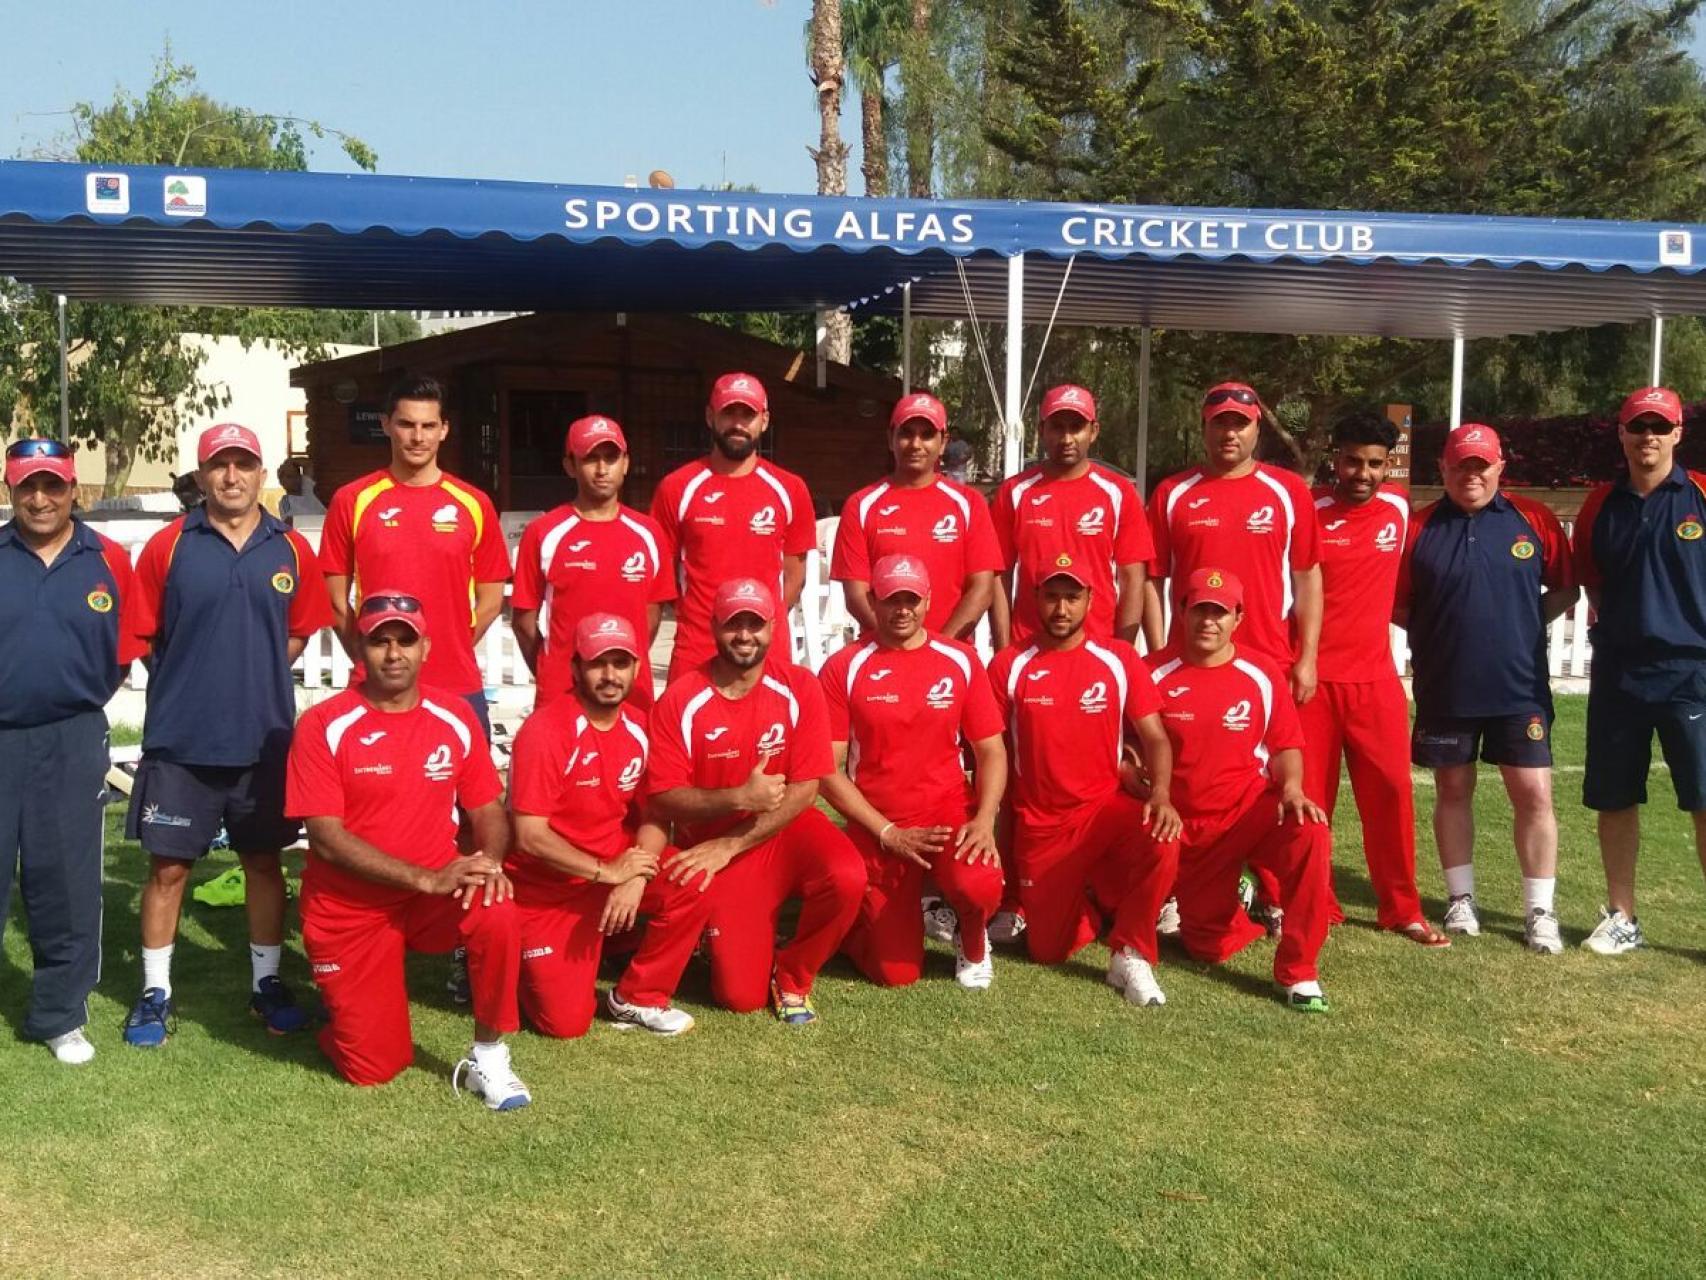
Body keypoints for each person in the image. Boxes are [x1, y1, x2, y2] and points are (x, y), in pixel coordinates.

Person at [121, 424, 333, 1049]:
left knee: (263, 863)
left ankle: (266, 983)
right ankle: (155, 991)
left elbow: (297, 632)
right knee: (167, 870)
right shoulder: (168, 547)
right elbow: (144, 634)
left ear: (262, 473)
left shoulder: (290, 550)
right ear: (202, 474)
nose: (232, 477)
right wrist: (190, 681)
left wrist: (251, 674)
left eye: (244, 464)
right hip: (181, 742)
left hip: (264, 740)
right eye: (220, 465)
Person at [285, 591, 530, 1108]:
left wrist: (489, 862)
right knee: (374, 1067)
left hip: (431, 898)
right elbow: (326, 838)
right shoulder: (322, 724)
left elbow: (488, 809)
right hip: (350, 908)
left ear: (426, 648)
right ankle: (351, 1012)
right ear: (360, 649)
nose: (394, 653)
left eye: (406, 640)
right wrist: (426, 878)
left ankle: (489, 1057)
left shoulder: (454, 715)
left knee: (497, 907)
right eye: (380, 642)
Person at [646, 578, 865, 1025]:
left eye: (755, 624)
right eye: (733, 624)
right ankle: (717, 936)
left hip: (782, 829)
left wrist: (734, 842)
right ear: (713, 627)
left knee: (848, 876)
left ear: (773, 627)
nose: (744, 635)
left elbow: (806, 787)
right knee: (738, 996)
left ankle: (793, 974)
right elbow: (663, 797)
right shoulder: (681, 698)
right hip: (716, 845)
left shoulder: (799, 686)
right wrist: (737, 800)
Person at [1145, 381, 1322, 930]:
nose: (1229, 432)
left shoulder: (1287, 492)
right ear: (1204, 426)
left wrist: (1307, 657)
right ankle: (1181, 886)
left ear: (1256, 429)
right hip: (1191, 661)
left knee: (1273, 784)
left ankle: (1273, 894)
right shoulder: (1173, 492)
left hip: (1268, 661)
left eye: (1239, 423)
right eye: (1219, 422)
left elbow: (1307, 575)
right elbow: (1154, 578)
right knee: (1188, 779)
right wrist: (1159, 651)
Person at [1397, 424, 1577, 952]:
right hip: (1446, 686)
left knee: (1534, 793)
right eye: (1461, 466)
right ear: (1443, 469)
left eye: (1481, 465)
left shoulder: (1533, 519)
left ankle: (1540, 910)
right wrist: (1440, 633)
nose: (1470, 475)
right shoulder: (1418, 527)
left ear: (1500, 467)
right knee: (1453, 789)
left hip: (1519, 687)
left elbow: (1565, 588)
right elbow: (1399, 603)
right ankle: (1461, 899)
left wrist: (1521, 623)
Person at [0, 438, 143, 1064]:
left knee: (64, 879)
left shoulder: (109, 559)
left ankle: (59, 1015)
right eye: (27, 486)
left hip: (72, 735)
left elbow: (126, 650)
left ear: (73, 489)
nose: (40, 498)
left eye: (52, 485)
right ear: (10, 490)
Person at [987, 557, 1181, 1007]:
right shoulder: (1009, 664)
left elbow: (1155, 736)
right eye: (1052, 597)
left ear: (1091, 600)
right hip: (1042, 826)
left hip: (1102, 810)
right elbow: (990, 747)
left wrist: (1161, 794)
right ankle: (1090, 902)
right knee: (1047, 951)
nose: (1062, 609)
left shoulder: (1118, 659)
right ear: (1034, 599)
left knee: (1161, 833)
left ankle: (1130, 952)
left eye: (1072, 597)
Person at [507, 612, 712, 1036]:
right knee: (565, 1024)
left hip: (611, 871)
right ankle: (508, 954)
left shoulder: (640, 726)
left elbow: (656, 813)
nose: (610, 675)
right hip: (548, 889)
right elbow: (529, 835)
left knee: (692, 877)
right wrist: (606, 872)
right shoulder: (546, 730)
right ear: (575, 668)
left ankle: (639, 996)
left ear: (636, 668)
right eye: (598, 663)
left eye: (620, 663)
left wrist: (634, 876)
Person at [1147, 569, 1336, 1010]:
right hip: (1187, 827)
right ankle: (1235, 905)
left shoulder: (1261, 672)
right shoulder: (1151, 672)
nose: (1208, 622)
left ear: (1238, 618)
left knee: (1310, 831)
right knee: (1207, 947)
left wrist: (1292, 789)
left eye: (1220, 613)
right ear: (1181, 611)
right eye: (1199, 610)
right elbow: (1126, 745)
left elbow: (1285, 745)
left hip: (1249, 812)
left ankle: (1299, 973)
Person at [819, 555, 1007, 989]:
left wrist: (984, 820)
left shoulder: (959, 659)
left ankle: (973, 940)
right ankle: (866, 923)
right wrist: (886, 832)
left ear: (928, 601)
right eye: (891, 599)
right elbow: (827, 769)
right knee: (894, 973)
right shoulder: (845, 666)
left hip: (947, 814)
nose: (902, 610)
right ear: (873, 601)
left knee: (978, 882)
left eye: (911, 599)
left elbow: (991, 752)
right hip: (879, 822)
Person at [1304, 410, 1447, 946]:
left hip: (1376, 681)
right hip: (1313, 680)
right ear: (1334, 460)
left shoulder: (1398, 509)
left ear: (1388, 466)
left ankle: (1401, 908)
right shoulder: (1308, 510)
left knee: (1391, 795)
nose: (1362, 473)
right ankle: (1315, 902)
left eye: (1374, 464)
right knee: (1310, 800)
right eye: (1352, 461)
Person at [1572, 386, 1706, 953]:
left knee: (1703, 799)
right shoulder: (1600, 504)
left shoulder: (1701, 495)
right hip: (1620, 672)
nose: (1648, 436)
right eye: (1638, 426)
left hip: (1692, 670)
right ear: (1622, 434)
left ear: (1678, 433)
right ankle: (1622, 917)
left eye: (1659, 426)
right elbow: (1592, 579)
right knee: (1614, 796)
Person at [319, 373, 511, 739]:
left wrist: (444, 649)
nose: (418, 437)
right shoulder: (352, 500)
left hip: (456, 685)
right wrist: (371, 657)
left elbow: (490, 600)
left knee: (468, 780)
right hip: (375, 687)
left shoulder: (474, 503)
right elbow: (335, 601)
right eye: (406, 424)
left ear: (444, 429)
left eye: (428, 426)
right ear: (386, 425)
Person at [651, 372, 815, 679]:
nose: (738, 424)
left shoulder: (790, 489)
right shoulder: (676, 488)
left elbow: (794, 577)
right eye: (729, 413)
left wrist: (757, 628)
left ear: (764, 420)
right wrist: (699, 619)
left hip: (767, 653)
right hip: (697, 651)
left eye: (748, 414)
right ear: (710, 416)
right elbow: (663, 578)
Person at [512, 415, 674, 709]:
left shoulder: (649, 533)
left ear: (625, 463)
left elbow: (650, 618)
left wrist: (620, 670)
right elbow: (523, 623)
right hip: (561, 696)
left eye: (611, 458)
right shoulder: (543, 533)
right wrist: (553, 671)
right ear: (569, 465)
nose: (602, 470)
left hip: (630, 696)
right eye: (590, 458)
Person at [991, 384, 1153, 648]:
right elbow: (999, 576)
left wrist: (1121, 652)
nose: (1067, 439)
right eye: (1057, 427)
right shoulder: (1014, 492)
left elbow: (1133, 579)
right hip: (1028, 647)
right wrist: (1003, 650)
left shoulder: (1119, 492)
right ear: (1041, 430)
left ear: (1094, 431)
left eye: (1076, 427)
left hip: (1099, 645)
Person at [831, 392, 1002, 641]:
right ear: (890, 439)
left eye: (927, 435)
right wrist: (900, 646)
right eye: (906, 433)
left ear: (943, 442)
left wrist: (937, 651)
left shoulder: (970, 503)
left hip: (951, 653)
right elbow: (856, 594)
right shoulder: (860, 505)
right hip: (882, 653)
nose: (916, 444)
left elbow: (982, 589)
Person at [276, 456, 326, 525]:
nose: (295, 479)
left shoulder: (307, 489)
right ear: (282, 481)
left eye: (296, 476)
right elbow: (289, 521)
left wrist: (291, 461)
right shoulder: (285, 501)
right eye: (289, 477)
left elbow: (308, 464)